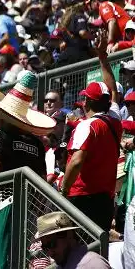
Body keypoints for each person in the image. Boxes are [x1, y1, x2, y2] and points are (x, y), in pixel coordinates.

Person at [61, 33, 123, 232]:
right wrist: (102, 58)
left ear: (86, 102)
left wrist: (63, 190)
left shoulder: (85, 126)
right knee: (98, 248)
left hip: (81, 198)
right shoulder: (114, 120)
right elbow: (113, 91)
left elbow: (77, 161)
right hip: (105, 199)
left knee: (79, 249)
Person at [34, 212, 110, 268]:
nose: (50, 253)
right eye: (45, 248)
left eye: (52, 244)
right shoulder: (63, 264)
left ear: (69, 235)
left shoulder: (92, 264)